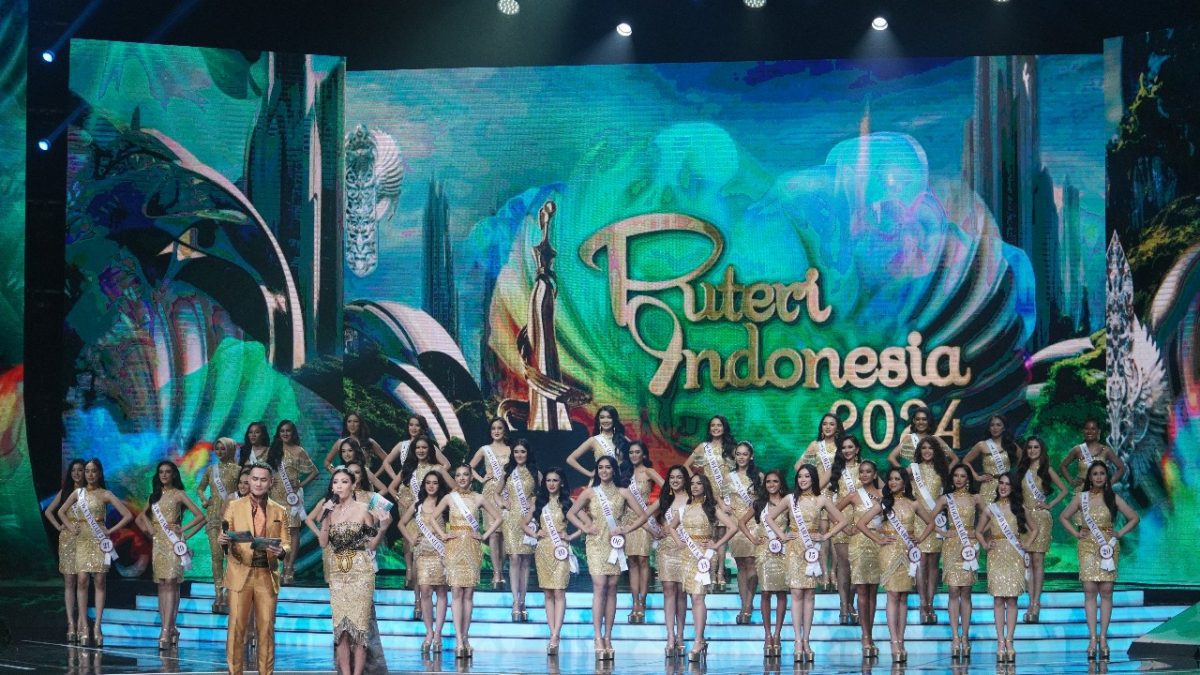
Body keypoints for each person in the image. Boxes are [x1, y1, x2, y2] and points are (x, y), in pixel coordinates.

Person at [566, 455, 649, 661]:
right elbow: (571, 513)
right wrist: (585, 527)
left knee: (612, 588)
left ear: (614, 470)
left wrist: (626, 528)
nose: (604, 471)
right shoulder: (590, 492)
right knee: (600, 585)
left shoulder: (623, 492)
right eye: (600, 467)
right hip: (596, 543)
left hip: (615, 544)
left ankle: (608, 637)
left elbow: (643, 515)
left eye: (608, 467)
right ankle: (597, 637)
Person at [1058, 461, 1140, 660]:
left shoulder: (1113, 497)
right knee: (1089, 590)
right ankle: (1092, 638)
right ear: (1090, 477)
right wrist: (1076, 534)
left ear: (1106, 477)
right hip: (1087, 545)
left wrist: (1119, 532)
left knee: (1106, 591)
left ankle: (1103, 638)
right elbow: (1063, 517)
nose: (1098, 477)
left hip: (1108, 546)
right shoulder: (1081, 497)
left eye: (1102, 473)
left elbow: (1134, 517)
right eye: (1095, 473)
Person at [765, 464, 847, 662]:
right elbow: (769, 517)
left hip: (812, 549)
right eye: (800, 476)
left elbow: (842, 520)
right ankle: (797, 641)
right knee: (796, 593)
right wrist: (782, 535)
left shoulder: (821, 499)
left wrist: (825, 535)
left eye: (807, 476)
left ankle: (806, 641)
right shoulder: (789, 499)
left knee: (809, 594)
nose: (803, 480)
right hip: (794, 549)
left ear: (813, 479)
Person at [856, 466, 936, 663]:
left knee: (903, 597)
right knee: (892, 595)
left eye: (897, 479)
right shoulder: (884, 503)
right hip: (889, 552)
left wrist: (919, 539)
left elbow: (931, 523)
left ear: (904, 482)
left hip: (908, 552)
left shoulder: (913, 503)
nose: (892, 482)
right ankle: (894, 642)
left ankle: (901, 640)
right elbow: (861, 523)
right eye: (891, 479)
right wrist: (878, 539)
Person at [316, 467, 390, 675]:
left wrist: (383, 528)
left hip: (361, 572)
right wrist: (325, 517)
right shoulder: (329, 510)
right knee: (341, 629)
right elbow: (323, 543)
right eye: (335, 482)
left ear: (353, 485)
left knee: (359, 629)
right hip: (338, 574)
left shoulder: (363, 509)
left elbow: (371, 544)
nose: (339, 486)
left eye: (344, 482)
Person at [218, 462, 290, 675]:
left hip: (266, 574)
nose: (258, 483)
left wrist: (282, 551)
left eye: (263, 480)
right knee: (236, 628)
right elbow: (224, 536)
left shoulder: (280, 510)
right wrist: (222, 540)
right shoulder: (233, 506)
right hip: (240, 573)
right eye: (255, 479)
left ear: (271, 482)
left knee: (266, 630)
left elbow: (286, 542)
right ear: (248, 481)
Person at [56, 458, 134, 648]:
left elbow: (127, 515)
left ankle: (97, 626)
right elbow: (61, 512)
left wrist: (110, 530)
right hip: (82, 540)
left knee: (99, 581)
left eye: (93, 471)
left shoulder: (106, 494)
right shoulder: (78, 493)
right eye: (87, 471)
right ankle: (83, 625)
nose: (90, 474)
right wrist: (70, 527)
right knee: (82, 579)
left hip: (99, 540)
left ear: (99, 473)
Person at [431, 464, 503, 659]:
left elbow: (498, 518)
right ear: (455, 478)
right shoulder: (449, 498)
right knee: (456, 592)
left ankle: (466, 637)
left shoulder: (479, 498)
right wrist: (443, 535)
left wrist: (484, 535)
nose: (462, 478)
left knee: (468, 594)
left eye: (465, 475)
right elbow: (432, 518)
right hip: (454, 547)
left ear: (471, 477)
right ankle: (459, 640)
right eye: (458, 475)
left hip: (472, 547)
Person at [134, 461, 205, 650]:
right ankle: (170, 628)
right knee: (162, 584)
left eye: (168, 472)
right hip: (159, 544)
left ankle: (166, 630)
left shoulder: (179, 494)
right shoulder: (153, 497)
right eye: (161, 472)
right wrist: (150, 530)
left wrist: (183, 532)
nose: (164, 475)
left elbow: (200, 517)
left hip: (174, 544)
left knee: (172, 583)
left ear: (174, 474)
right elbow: (140, 518)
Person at [672, 473, 739, 661]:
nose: (694, 486)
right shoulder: (684, 508)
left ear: (705, 487)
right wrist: (678, 541)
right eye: (692, 484)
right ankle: (700, 640)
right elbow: (671, 527)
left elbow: (733, 527)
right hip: (687, 556)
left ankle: (698, 640)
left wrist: (716, 545)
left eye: (699, 484)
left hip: (704, 556)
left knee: (698, 597)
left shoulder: (711, 508)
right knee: (692, 598)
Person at [976, 472, 1037, 663]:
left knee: (1011, 599)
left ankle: (1010, 641)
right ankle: (1000, 642)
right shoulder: (991, 508)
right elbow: (978, 531)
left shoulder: (1020, 508)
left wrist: (1027, 544)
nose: (1003, 487)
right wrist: (985, 545)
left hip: (1014, 555)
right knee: (998, 599)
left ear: (1013, 488)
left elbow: (1035, 529)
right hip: (996, 555)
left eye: (1007, 484)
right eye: (1001, 483)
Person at [389, 434, 453, 602]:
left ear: (430, 450)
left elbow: (454, 488)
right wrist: (402, 500)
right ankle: (418, 600)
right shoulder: (408, 470)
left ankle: (435, 597)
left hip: (434, 517)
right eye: (418, 447)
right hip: (415, 518)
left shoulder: (437, 469)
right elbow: (391, 488)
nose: (421, 450)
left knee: (436, 558)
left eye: (424, 447)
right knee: (417, 559)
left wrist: (442, 503)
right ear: (413, 450)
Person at [526, 468, 580, 655]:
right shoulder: (539, 502)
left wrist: (570, 536)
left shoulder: (568, 502)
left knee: (559, 591)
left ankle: (556, 634)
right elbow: (523, 523)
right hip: (543, 550)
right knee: (548, 593)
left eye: (555, 480)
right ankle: (552, 633)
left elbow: (586, 524)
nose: (551, 483)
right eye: (548, 480)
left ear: (561, 482)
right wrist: (535, 533)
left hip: (560, 550)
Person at [833, 455, 882, 658]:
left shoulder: (882, 495)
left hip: (878, 544)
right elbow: (834, 511)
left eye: (868, 472)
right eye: (861, 472)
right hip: (859, 544)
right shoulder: (854, 495)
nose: (864, 475)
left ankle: (870, 633)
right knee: (862, 590)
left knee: (873, 592)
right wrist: (848, 528)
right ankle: (865, 636)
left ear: (875, 475)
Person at [930, 465, 981, 659]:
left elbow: (989, 517)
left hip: (969, 546)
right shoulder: (945, 498)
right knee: (953, 590)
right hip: (951, 546)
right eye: (956, 476)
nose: (959, 479)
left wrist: (978, 533)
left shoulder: (976, 498)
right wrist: (943, 533)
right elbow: (929, 518)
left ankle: (965, 637)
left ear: (968, 479)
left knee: (966, 592)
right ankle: (955, 637)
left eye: (963, 476)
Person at [399, 470, 451, 654]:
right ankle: (429, 632)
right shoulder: (417, 505)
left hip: (440, 553)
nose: (431, 486)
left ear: (439, 485)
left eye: (435, 483)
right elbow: (401, 524)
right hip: (422, 554)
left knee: (442, 592)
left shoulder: (445, 504)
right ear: (424, 485)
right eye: (428, 482)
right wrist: (411, 539)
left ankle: (438, 634)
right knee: (425, 592)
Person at [1018, 436, 1068, 623]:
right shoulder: (1022, 471)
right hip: (1025, 518)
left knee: (1038, 561)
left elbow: (1064, 490)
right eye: (1029, 447)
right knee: (1028, 562)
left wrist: (1049, 505)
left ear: (1041, 450)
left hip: (1041, 518)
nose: (1032, 450)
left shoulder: (1046, 469)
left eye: (1036, 447)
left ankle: (1036, 603)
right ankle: (1029, 602)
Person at [684, 415, 736, 587]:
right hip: (708, 497)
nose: (716, 428)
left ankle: (720, 571)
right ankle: (709, 570)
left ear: (724, 427)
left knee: (721, 537)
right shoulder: (703, 447)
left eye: (719, 425)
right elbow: (686, 466)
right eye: (713, 425)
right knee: (709, 535)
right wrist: (697, 482)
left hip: (727, 498)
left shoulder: (731, 448)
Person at [645, 465, 690, 658]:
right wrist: (654, 531)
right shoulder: (664, 500)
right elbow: (642, 516)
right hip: (666, 551)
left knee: (682, 592)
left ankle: (681, 634)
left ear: (685, 479)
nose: (675, 480)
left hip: (686, 549)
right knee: (669, 590)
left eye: (679, 477)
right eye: (672, 477)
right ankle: (670, 635)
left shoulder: (692, 499)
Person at [265, 420, 318, 583]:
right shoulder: (273, 450)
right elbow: (266, 471)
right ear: (278, 433)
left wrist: (300, 484)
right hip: (275, 496)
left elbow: (314, 472)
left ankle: (289, 567)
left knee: (293, 531)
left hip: (291, 497)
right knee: (278, 532)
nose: (285, 433)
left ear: (293, 433)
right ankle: (281, 566)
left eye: (288, 431)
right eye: (282, 431)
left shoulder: (299, 451)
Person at [744, 469, 789, 658]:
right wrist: (753, 539)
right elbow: (741, 523)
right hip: (764, 551)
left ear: (781, 483)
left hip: (783, 552)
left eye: (775, 481)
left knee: (781, 592)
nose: (771, 484)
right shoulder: (759, 504)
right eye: (768, 481)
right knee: (766, 592)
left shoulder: (788, 502)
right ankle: (767, 634)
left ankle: (777, 634)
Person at [796, 413, 844, 590]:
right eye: (825, 424)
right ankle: (824, 572)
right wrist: (814, 481)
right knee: (822, 534)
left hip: (839, 493)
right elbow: (798, 466)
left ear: (837, 427)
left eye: (832, 424)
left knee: (837, 535)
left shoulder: (843, 446)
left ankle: (834, 572)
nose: (828, 427)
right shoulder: (815, 446)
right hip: (820, 494)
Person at [907, 436, 951, 625]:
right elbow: (898, 485)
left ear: (935, 451)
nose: (926, 451)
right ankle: (923, 603)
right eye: (923, 448)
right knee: (921, 562)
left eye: (930, 448)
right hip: (918, 520)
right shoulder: (913, 468)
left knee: (933, 564)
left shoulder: (942, 469)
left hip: (937, 520)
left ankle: (931, 603)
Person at [497, 438, 541, 621]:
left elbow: (541, 495)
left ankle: (523, 600)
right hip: (511, 519)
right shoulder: (508, 472)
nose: (519, 455)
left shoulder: (535, 473)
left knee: (525, 561)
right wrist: (503, 503)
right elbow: (496, 493)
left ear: (528, 453)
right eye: (516, 452)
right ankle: (515, 601)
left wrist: (534, 503)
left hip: (528, 519)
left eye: (523, 451)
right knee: (514, 558)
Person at [198, 438, 243, 614]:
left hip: (231, 517)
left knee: (231, 556)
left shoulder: (238, 470)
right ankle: (218, 592)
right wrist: (204, 500)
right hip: (213, 517)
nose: (219, 452)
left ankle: (229, 591)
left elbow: (242, 490)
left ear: (230, 449)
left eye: (223, 449)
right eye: (217, 449)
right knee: (216, 556)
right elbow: (200, 488)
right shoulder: (211, 469)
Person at [43, 459, 86, 643]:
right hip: (68, 540)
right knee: (69, 581)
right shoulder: (65, 492)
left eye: (80, 470)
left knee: (83, 581)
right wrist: (59, 526)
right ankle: (70, 623)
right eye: (73, 470)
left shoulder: (89, 493)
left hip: (85, 539)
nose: (76, 473)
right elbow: (49, 512)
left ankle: (82, 622)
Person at [621, 440, 663, 624]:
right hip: (628, 521)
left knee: (643, 560)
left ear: (644, 454)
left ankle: (643, 601)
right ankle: (635, 602)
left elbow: (668, 490)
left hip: (644, 520)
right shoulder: (623, 473)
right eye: (631, 452)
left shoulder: (649, 472)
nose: (634, 455)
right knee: (632, 561)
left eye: (637, 452)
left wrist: (652, 509)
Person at [468, 418, 513, 588]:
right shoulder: (484, 449)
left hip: (507, 493)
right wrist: (481, 479)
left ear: (505, 430)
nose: (496, 431)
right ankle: (496, 573)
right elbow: (469, 467)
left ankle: (502, 569)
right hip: (490, 493)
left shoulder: (511, 450)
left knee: (505, 534)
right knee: (494, 534)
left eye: (499, 428)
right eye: (493, 428)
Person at [827, 434, 863, 625]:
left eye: (850, 447)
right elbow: (816, 487)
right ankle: (843, 605)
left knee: (857, 565)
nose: (847, 450)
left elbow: (882, 492)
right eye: (844, 448)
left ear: (857, 449)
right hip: (840, 521)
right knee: (844, 565)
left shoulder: (865, 468)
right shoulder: (835, 470)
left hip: (861, 523)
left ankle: (850, 602)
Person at [726, 442, 761, 625]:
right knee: (740, 565)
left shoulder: (759, 476)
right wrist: (724, 506)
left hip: (753, 522)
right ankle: (744, 603)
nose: (741, 457)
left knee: (752, 563)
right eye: (738, 454)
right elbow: (718, 496)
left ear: (751, 456)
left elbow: (764, 500)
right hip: (735, 524)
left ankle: (749, 603)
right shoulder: (728, 477)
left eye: (745, 454)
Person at [962, 415, 1020, 504]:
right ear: (989, 428)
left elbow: (1022, 458)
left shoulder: (1010, 444)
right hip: (988, 487)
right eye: (992, 425)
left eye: (998, 425)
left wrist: (1014, 476)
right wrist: (977, 477)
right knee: (986, 512)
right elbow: (965, 461)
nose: (995, 428)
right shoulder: (982, 445)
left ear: (1004, 428)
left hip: (1006, 486)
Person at [1058, 418, 1128, 490]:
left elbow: (1121, 468)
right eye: (1086, 429)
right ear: (1083, 431)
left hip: (1100, 491)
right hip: (1082, 491)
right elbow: (1062, 466)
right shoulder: (1077, 449)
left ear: (1098, 431)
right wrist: (1072, 482)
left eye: (1093, 429)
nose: (1089, 431)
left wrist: (1110, 483)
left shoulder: (1106, 450)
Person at [378, 414, 451, 482]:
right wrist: (396, 480)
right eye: (411, 425)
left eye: (417, 425)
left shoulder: (429, 445)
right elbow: (386, 462)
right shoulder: (402, 445)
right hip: (406, 485)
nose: (413, 428)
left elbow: (446, 464)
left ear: (422, 427)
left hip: (423, 486)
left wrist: (432, 479)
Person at [565, 405, 630, 479]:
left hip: (619, 480)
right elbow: (570, 459)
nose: (605, 420)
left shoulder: (622, 439)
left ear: (614, 419)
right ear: (599, 420)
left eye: (609, 417)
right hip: (601, 481)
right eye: (602, 417)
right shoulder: (594, 440)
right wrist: (590, 474)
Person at [886, 406, 956, 468]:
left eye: (924, 419)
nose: (921, 422)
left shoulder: (936, 439)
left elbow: (955, 459)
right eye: (918, 419)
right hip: (915, 478)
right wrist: (904, 474)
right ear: (914, 421)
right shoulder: (910, 438)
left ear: (929, 421)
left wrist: (945, 474)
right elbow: (891, 457)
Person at [322, 412, 388, 477]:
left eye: (356, 421)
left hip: (365, 481)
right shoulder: (341, 442)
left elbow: (387, 460)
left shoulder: (369, 441)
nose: (352, 425)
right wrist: (334, 472)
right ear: (346, 424)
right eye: (349, 421)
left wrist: (374, 477)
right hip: (346, 481)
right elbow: (327, 461)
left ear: (360, 424)